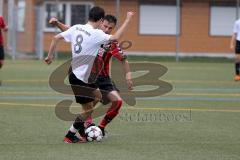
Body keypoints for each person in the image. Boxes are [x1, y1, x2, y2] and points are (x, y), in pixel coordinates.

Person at [45, 6, 134, 143]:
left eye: (110, 27)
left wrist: (50, 55)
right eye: (104, 25)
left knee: (102, 98)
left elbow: (66, 32)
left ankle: (90, 126)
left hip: (91, 77)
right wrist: (128, 19)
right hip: (81, 77)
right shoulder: (96, 34)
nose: (106, 29)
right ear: (100, 21)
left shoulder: (83, 30)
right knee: (88, 108)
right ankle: (71, 135)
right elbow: (115, 37)